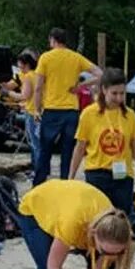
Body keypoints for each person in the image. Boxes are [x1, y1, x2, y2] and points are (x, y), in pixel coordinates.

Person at [69, 67, 135, 216]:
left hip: (123, 175)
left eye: (122, 93)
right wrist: (71, 176)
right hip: (97, 173)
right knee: (100, 218)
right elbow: (80, 147)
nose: (119, 98)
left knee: (122, 218)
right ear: (104, 90)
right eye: (114, 93)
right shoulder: (89, 114)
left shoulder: (129, 115)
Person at [33, 27, 102, 186]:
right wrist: (81, 85)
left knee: (45, 151)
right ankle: (66, 184)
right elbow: (100, 73)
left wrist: (37, 109)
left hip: (52, 109)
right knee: (67, 151)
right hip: (71, 110)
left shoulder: (46, 58)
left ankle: (38, 185)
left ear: (52, 40)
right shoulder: (76, 57)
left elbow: (38, 87)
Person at [4, 51, 40, 168]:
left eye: (20, 65)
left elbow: (24, 96)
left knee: (34, 143)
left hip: (31, 112)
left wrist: (8, 93)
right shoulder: (38, 75)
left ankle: (37, 169)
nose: (19, 69)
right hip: (40, 111)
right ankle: (40, 168)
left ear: (26, 64)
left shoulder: (29, 76)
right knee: (39, 142)